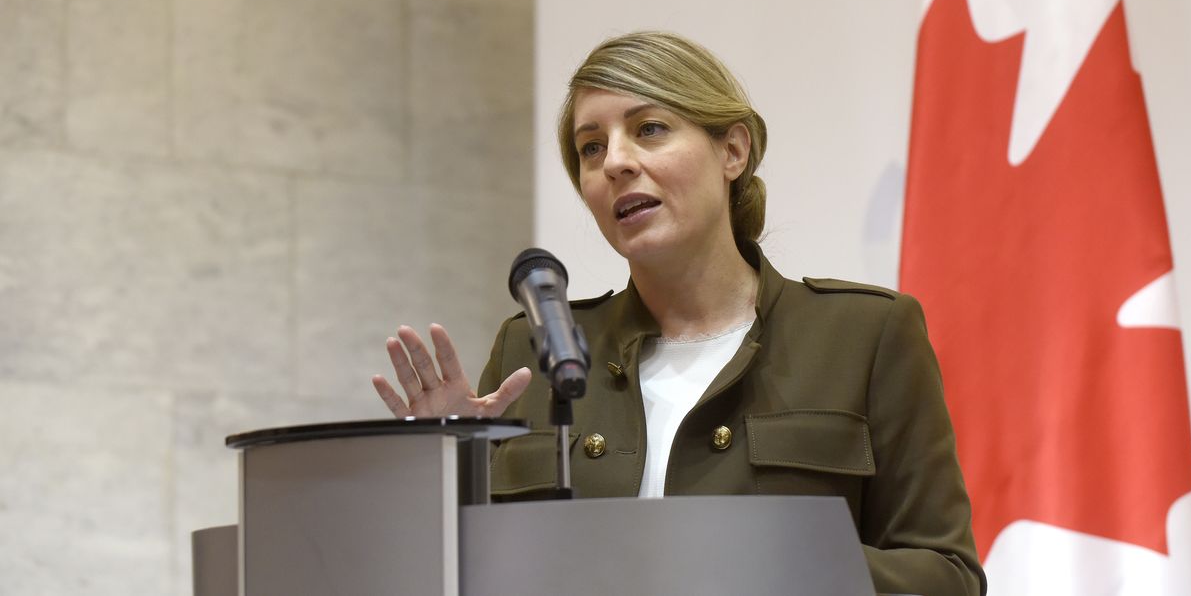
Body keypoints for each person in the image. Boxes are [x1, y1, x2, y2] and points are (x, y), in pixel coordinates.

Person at [372, 31, 986, 596]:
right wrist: (446, 471)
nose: (614, 161)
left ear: (733, 151)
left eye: (650, 129)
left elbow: (947, 576)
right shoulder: (535, 351)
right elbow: (474, 574)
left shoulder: (864, 335)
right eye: (591, 147)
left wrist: (779, 559)